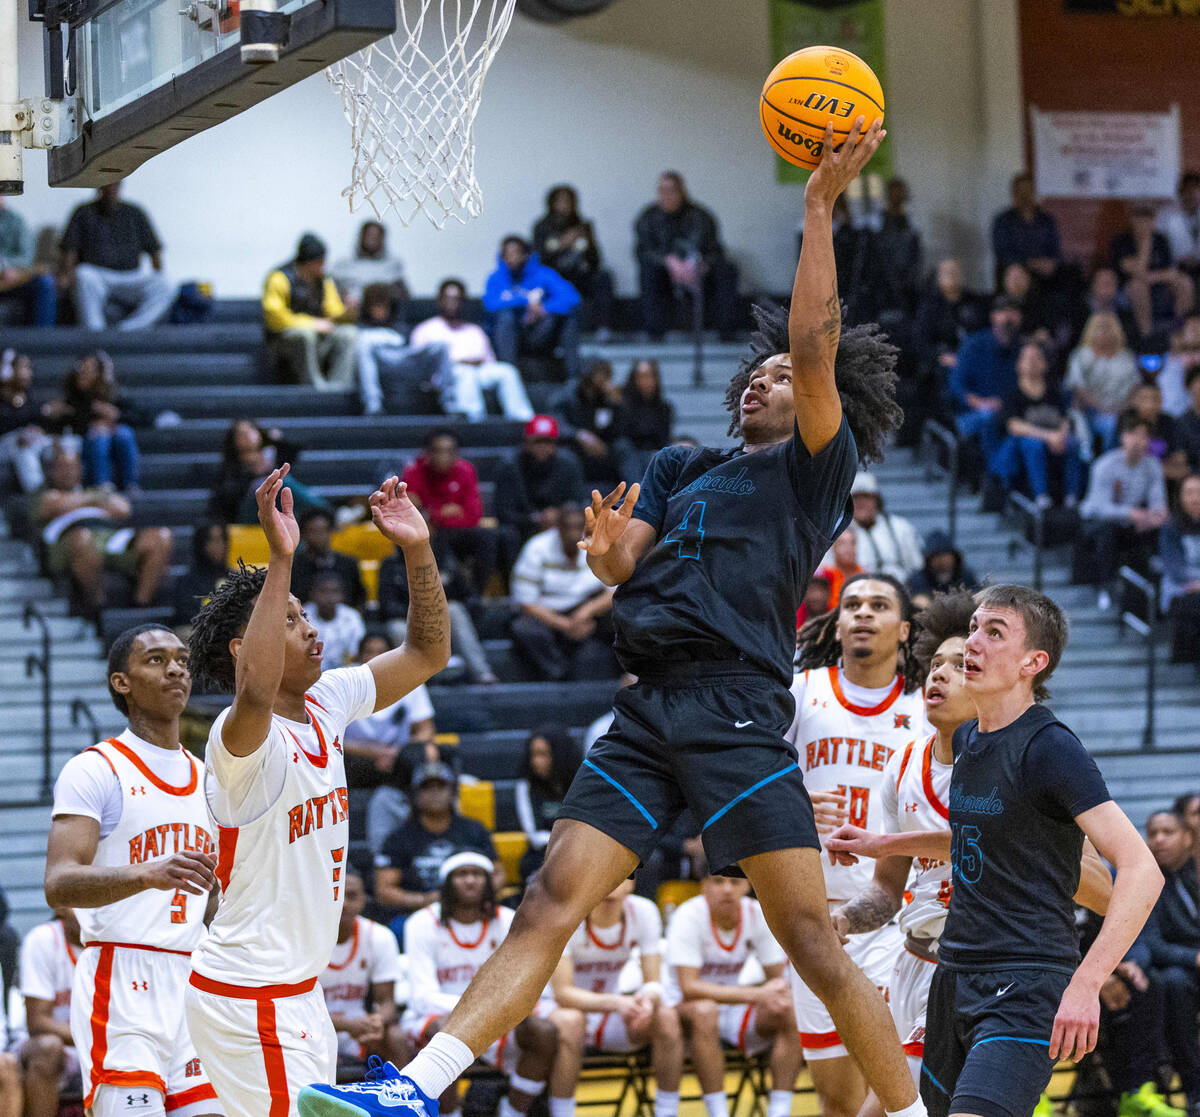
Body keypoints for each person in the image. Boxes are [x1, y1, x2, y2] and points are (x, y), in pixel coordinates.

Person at [300, 118, 927, 1117]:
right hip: (647, 708)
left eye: (784, 376)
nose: (767, 377)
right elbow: (626, 551)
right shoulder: (683, 464)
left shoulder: (815, 470)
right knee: (549, 896)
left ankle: (907, 1113)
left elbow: (813, 343)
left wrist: (817, 206)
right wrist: (605, 555)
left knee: (809, 937)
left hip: (735, 706)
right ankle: (413, 1091)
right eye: (754, 374)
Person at [182, 464, 450, 1117]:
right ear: (251, 648)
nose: (311, 628)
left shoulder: (326, 700)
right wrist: (280, 558)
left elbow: (425, 653)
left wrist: (417, 548)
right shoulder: (239, 738)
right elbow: (253, 687)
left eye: (305, 613)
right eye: (292, 617)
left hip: (297, 990)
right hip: (253, 994)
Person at [825, 590, 1115, 1117]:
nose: (941, 674)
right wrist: (844, 918)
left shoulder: (1037, 752)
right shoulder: (917, 764)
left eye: (959, 664)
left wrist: (1030, 848)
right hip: (925, 967)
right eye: (936, 663)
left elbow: (1105, 888)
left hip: (1014, 970)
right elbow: (888, 889)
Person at [910, 584, 1162, 1117]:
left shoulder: (1051, 747)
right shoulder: (971, 740)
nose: (972, 642)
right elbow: (987, 842)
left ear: (1033, 662)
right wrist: (883, 844)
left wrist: (1087, 983)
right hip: (954, 976)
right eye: (974, 627)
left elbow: (1143, 869)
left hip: (1025, 983)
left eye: (993, 632)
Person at [41, 623, 222, 1117]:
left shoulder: (209, 778)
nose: (177, 669)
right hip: (121, 977)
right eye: (157, 660)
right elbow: (58, 885)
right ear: (122, 682)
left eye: (182, 659)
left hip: (193, 979)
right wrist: (145, 874)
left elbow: (213, 894)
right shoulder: (96, 768)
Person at [787, 574, 928, 1117]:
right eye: (853, 605)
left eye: (878, 605)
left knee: (901, 1091)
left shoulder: (925, 707)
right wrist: (793, 800)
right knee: (838, 1101)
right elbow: (750, 786)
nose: (864, 613)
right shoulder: (801, 691)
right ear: (838, 623)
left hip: (896, 918)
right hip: (812, 919)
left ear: (904, 629)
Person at [399, 853, 559, 1117]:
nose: (470, 881)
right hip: (435, 1017)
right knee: (445, 1029)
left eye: (477, 874)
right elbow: (422, 997)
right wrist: (480, 1010)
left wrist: (489, 1011)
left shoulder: (509, 919)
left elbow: (524, 981)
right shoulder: (421, 922)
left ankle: (513, 1112)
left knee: (543, 1031)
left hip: (498, 1017)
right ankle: (449, 1114)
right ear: (446, 882)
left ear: (489, 882)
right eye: (462, 874)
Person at [664, 875, 803, 1117]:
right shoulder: (688, 915)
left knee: (789, 1007)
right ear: (704, 886)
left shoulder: (757, 912)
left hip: (733, 1007)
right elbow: (689, 987)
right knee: (705, 1011)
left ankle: (780, 1110)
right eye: (718, 882)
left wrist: (770, 993)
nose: (727, 889)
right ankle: (717, 1112)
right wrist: (757, 993)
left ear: (748, 886)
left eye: (734, 882)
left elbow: (776, 980)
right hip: (682, 1010)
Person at [547, 879, 681, 1117]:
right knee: (571, 1021)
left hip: (610, 1009)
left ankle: (667, 1112)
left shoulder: (644, 911)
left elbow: (653, 981)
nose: (613, 883)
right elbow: (563, 993)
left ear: (633, 883)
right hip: (558, 1011)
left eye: (622, 876)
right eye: (608, 875)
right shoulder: (567, 913)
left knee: (667, 1017)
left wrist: (647, 1001)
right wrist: (618, 1002)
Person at [34, 445, 172, 620]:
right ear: (50, 471)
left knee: (161, 537)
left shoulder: (90, 491)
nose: (67, 472)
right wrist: (95, 499)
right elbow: (53, 506)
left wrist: (81, 501)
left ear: (80, 468)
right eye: (62, 467)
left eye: (71, 466)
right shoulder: (45, 495)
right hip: (70, 542)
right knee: (83, 539)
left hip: (110, 538)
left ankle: (141, 607)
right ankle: (98, 609)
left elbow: (123, 508)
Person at [373, 762, 499, 918]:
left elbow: (498, 874)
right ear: (415, 794)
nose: (434, 792)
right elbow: (384, 891)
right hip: (417, 913)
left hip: (472, 909)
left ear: (453, 792)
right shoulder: (398, 838)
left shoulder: (474, 829)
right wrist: (424, 900)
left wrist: (470, 899)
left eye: (441, 786)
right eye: (426, 787)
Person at [1137, 809, 1200, 1117]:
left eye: (1168, 832)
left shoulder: (1196, 873)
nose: (1158, 840)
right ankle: (1195, 1091)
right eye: (1152, 833)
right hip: (1182, 971)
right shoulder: (1146, 881)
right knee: (1172, 982)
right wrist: (1194, 957)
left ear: (1188, 837)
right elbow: (1152, 944)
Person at [510, 503, 615, 682]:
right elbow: (526, 602)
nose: (573, 533)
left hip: (585, 611)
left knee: (624, 614)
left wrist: (586, 612)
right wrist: (565, 624)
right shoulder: (537, 547)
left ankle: (628, 675)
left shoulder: (598, 543)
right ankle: (559, 676)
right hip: (548, 613)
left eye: (577, 527)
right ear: (557, 528)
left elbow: (612, 592)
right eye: (568, 528)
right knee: (523, 629)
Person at [319, 870, 410, 1077]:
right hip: (312, 1026)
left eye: (351, 896)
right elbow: (294, 1006)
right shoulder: (304, 937)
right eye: (337, 895)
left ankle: (402, 1103)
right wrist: (345, 1025)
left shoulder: (379, 936)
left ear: (363, 900)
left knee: (395, 1037)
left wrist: (378, 1020)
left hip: (359, 1028)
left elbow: (387, 1001)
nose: (343, 903)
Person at [1074, 410, 1169, 603]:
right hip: (1095, 522)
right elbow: (1097, 507)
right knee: (1107, 530)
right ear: (1124, 437)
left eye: (1145, 437)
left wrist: (1156, 516)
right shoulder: (1105, 465)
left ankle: (1152, 587)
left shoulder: (1152, 466)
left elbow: (1158, 502)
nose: (1141, 442)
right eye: (1136, 435)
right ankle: (1106, 586)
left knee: (1164, 526)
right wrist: (1132, 514)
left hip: (1130, 524)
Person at [634, 172, 739, 340]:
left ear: (682, 191)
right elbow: (643, 251)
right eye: (662, 190)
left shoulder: (701, 216)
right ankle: (654, 335)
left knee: (727, 271)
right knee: (648, 273)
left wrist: (703, 264)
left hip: (699, 271)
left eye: (672, 190)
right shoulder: (648, 218)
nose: (667, 196)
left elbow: (716, 250)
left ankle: (727, 333)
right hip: (665, 274)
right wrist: (667, 261)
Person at [402, 428, 499, 599]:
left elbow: (474, 516)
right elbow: (410, 514)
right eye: (438, 451)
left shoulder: (466, 470)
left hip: (455, 532)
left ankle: (476, 595)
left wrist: (434, 515)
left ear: (457, 454)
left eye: (449, 451)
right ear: (427, 453)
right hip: (429, 534)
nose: (443, 456)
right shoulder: (413, 472)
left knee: (489, 537)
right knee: (436, 538)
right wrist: (445, 513)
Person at [58, 183, 171, 331]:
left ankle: (129, 330)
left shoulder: (135, 212)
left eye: (115, 184)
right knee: (83, 275)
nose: (111, 188)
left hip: (131, 277)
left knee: (164, 284)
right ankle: (95, 334)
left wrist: (159, 272)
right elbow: (69, 249)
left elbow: (154, 251)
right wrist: (65, 276)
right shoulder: (83, 212)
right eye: (106, 183)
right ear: (98, 186)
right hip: (98, 276)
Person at [992, 340, 1086, 509]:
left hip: (1053, 439)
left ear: (1045, 364)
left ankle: (1072, 496)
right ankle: (1041, 496)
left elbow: (1065, 418)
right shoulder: (1012, 394)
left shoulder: (1054, 392)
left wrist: (1061, 435)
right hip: (1022, 444)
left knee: (1072, 442)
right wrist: (1048, 436)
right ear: (1018, 365)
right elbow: (1014, 426)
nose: (1032, 362)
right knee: (1033, 445)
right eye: (1027, 358)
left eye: (1037, 358)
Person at [40, 350, 147, 491]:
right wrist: (92, 425)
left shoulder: (113, 392)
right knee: (99, 437)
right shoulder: (73, 393)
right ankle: (102, 486)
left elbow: (141, 416)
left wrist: (115, 417)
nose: (86, 372)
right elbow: (68, 420)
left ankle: (130, 484)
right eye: (84, 368)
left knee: (124, 434)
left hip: (113, 434)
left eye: (91, 369)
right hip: (87, 439)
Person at [345, 631, 437, 794]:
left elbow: (426, 731)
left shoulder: (410, 679)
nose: (374, 657)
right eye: (369, 652)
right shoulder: (344, 681)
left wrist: (395, 752)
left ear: (392, 656)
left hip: (397, 756)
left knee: (429, 751)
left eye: (381, 653)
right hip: (356, 756)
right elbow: (328, 737)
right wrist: (374, 752)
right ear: (359, 657)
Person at [263, 233, 358, 390]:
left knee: (349, 333)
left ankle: (340, 385)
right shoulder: (279, 278)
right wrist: (312, 324)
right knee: (305, 334)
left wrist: (347, 313)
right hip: (284, 341)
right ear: (309, 263)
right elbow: (274, 318)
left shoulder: (324, 280)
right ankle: (314, 386)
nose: (323, 265)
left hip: (319, 337)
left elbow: (332, 312)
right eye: (320, 262)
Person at [483, 237, 582, 382]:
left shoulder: (543, 274)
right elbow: (490, 304)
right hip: (513, 336)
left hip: (541, 332)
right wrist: (527, 301)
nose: (511, 258)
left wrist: (544, 308)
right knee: (505, 317)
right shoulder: (496, 278)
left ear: (525, 255)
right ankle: (509, 377)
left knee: (568, 316)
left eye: (515, 253)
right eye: (506, 254)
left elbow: (572, 298)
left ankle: (574, 378)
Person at [17, 909, 82, 1117]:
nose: (90, 911)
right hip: (66, 1048)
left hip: (106, 1047)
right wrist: (96, 1035)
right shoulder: (43, 939)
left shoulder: (119, 939)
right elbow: (37, 1022)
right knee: (47, 1048)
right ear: (60, 906)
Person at [532, 185, 615, 335]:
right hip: (555, 275)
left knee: (603, 277)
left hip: (579, 273)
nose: (565, 206)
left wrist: (586, 242)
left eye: (568, 201)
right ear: (552, 204)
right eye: (561, 201)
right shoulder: (542, 227)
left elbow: (595, 259)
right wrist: (563, 243)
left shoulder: (583, 226)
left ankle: (604, 329)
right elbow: (539, 259)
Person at [492, 416, 588, 544]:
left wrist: (559, 514)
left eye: (548, 441)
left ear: (555, 444)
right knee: (508, 533)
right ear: (527, 442)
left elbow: (578, 501)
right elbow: (504, 512)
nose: (543, 446)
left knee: (579, 527)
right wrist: (536, 519)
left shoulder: (568, 464)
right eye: (538, 441)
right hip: (523, 527)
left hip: (561, 524)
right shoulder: (509, 466)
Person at [950, 297, 1023, 460]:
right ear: (993, 316)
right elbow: (957, 386)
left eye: (1013, 312)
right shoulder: (974, 345)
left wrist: (1005, 404)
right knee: (989, 418)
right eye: (1003, 312)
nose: (1008, 317)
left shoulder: (1024, 348)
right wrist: (981, 403)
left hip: (1012, 410)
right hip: (974, 411)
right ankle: (994, 477)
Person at [1111, 202, 1194, 341]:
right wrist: (1146, 242)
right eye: (1139, 217)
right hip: (1127, 293)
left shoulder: (1161, 240)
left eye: (1148, 218)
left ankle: (1180, 331)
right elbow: (1137, 271)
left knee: (1185, 282)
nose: (1144, 222)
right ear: (1132, 219)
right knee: (1138, 287)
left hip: (1158, 285)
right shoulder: (1121, 241)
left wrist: (1150, 278)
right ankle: (1147, 336)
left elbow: (1171, 272)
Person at [514, 725, 582, 883]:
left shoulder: (581, 781)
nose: (536, 761)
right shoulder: (526, 784)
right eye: (533, 755)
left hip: (581, 847)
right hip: (545, 851)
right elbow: (533, 834)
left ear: (559, 755)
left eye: (543, 754)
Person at [1067, 312, 1141, 452]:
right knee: (1105, 423)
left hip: (1121, 410)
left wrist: (1121, 408)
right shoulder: (1080, 355)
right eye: (1100, 327)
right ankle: (1094, 460)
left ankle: (1110, 459)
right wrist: (1102, 408)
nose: (1105, 332)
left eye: (1109, 327)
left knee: (1116, 423)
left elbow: (1134, 386)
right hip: (1089, 410)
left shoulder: (1126, 357)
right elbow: (1077, 388)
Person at [846, 472, 925, 584]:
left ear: (876, 500)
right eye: (856, 498)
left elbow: (917, 566)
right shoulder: (839, 533)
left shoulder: (901, 528)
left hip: (901, 588)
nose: (861, 503)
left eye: (866, 497)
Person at [990, 172, 1062, 285]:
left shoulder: (1047, 220)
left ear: (1034, 193)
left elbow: (1056, 251)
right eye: (1021, 191)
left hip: (1044, 277)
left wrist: (1050, 263)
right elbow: (1003, 253)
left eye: (1028, 190)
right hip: (1014, 277)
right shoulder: (1002, 221)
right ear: (1014, 194)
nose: (1025, 196)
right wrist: (1031, 264)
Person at [611, 359, 674, 484]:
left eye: (649, 376)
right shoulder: (622, 403)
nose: (645, 382)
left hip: (652, 452)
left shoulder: (665, 407)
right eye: (640, 377)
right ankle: (636, 496)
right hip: (630, 451)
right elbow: (619, 433)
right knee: (625, 449)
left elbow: (663, 438)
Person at [291, 508, 367, 611]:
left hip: (344, 620)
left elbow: (359, 598)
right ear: (303, 534)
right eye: (314, 531)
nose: (319, 536)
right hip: (304, 620)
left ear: (331, 532)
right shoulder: (294, 566)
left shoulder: (348, 563)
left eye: (324, 530)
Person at [0, 348, 53, 492]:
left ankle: (67, 495)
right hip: (6, 444)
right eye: (22, 368)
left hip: (32, 440)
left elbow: (42, 420)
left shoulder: (31, 393)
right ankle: (37, 496)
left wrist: (38, 428)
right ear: (8, 370)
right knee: (24, 448)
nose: (27, 373)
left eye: (29, 368)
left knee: (60, 446)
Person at [1161, 474, 1200, 664]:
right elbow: (1175, 568)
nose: (1195, 498)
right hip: (1180, 590)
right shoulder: (1171, 527)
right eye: (1190, 493)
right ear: (1180, 497)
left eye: (1199, 493)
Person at [0, 197, 57, 326]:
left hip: (13, 279)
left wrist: (11, 270)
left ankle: (43, 340)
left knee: (44, 283)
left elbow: (26, 256)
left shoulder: (16, 220)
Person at [563, 360, 621, 484]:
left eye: (606, 377)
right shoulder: (568, 394)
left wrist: (616, 406)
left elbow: (617, 431)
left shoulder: (606, 398)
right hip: (573, 443)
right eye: (599, 376)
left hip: (600, 444)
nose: (603, 382)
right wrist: (579, 435)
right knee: (567, 454)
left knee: (623, 447)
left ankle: (635, 496)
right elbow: (556, 423)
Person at [331, 221, 409, 310]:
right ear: (361, 237)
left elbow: (404, 297)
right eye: (369, 236)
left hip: (384, 315)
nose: (372, 240)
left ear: (383, 239)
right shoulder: (343, 265)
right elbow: (330, 294)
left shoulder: (393, 265)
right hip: (352, 312)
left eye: (376, 237)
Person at [174, 521, 232, 627]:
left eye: (222, 539)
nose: (218, 545)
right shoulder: (186, 582)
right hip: (196, 631)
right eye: (213, 540)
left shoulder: (235, 578)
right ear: (201, 543)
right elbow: (187, 616)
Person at [307, 572, 367, 669]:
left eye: (334, 591)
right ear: (313, 594)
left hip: (344, 672)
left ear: (342, 595)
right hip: (309, 672)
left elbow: (357, 653)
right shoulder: (303, 616)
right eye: (323, 591)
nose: (329, 597)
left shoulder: (351, 616)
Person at [905, 532, 979, 610]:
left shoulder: (965, 575)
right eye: (938, 558)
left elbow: (977, 599)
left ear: (954, 557)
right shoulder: (918, 579)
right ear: (929, 560)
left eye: (946, 557)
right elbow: (918, 603)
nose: (943, 563)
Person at [1158, 171, 1200, 286]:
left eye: (1195, 191)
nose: (1192, 195)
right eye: (1188, 191)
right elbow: (1158, 244)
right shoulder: (1167, 215)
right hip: (1175, 267)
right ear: (1181, 193)